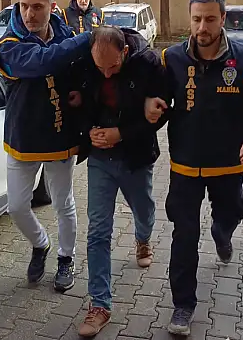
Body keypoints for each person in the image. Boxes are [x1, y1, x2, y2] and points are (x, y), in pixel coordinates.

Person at [144, 0, 243, 336]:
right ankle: (183, 305)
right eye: (196, 19)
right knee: (184, 235)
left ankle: (223, 232)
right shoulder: (171, 59)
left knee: (232, 210)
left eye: (209, 19)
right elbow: (156, 98)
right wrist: (150, 106)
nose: (202, 27)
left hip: (229, 165)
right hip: (185, 166)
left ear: (222, 19)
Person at [0, 0, 93, 292]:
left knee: (64, 203)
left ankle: (66, 258)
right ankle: (40, 244)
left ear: (52, 7)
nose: (29, 14)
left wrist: (79, 90)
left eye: (37, 7)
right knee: (17, 206)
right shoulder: (9, 45)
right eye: (24, 6)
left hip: (60, 136)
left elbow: (79, 71)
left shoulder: (64, 35)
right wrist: (88, 38)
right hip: (22, 138)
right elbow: (42, 61)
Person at [72, 26, 167, 337]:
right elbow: (79, 105)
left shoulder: (147, 64)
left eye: (113, 66)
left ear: (124, 51)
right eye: (100, 67)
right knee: (98, 230)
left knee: (144, 209)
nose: (106, 73)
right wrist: (89, 130)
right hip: (100, 160)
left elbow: (162, 113)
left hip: (135, 157)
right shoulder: (87, 63)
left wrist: (121, 133)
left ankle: (143, 238)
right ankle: (100, 304)